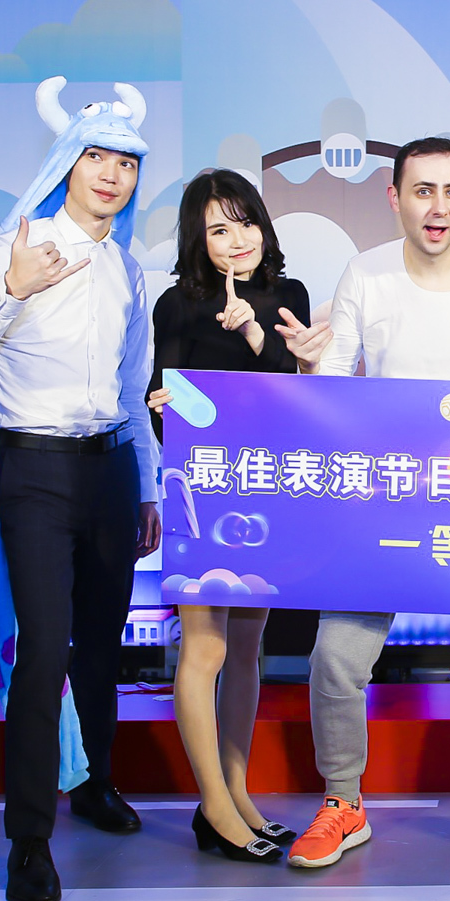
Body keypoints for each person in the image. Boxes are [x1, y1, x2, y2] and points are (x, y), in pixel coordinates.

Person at [273, 136, 450, 869]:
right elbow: (335, 382)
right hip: (387, 497)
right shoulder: (365, 273)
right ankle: (343, 803)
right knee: (335, 655)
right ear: (395, 197)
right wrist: (311, 368)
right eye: (423, 190)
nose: (439, 207)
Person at [0, 78, 162, 901]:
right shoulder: (18, 244)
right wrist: (16, 285)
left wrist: (146, 487)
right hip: (33, 471)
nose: (111, 175)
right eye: (96, 157)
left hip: (110, 470)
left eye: (126, 163)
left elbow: (133, 390)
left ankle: (96, 784)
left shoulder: (127, 268)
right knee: (43, 651)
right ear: (67, 163)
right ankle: (29, 841)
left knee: (103, 645)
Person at [146, 169, 309, 864]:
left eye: (245, 223)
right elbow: (165, 405)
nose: (237, 239)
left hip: (265, 491)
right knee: (204, 649)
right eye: (218, 229)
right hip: (201, 494)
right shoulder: (176, 304)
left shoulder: (289, 296)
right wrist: (163, 406)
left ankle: (238, 795)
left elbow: (290, 392)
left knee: (248, 649)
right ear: (198, 240)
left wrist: (252, 331)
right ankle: (212, 804)